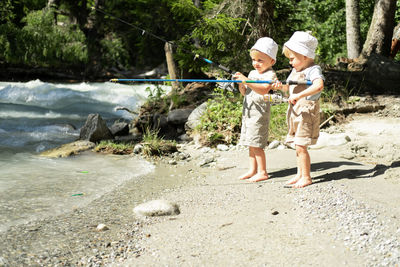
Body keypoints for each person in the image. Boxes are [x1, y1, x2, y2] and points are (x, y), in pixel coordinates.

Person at [273, 31, 324, 188]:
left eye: (292, 58)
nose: (290, 62)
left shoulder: (313, 70)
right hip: (295, 112)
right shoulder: (295, 71)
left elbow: (318, 85)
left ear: (305, 55)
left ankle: (306, 177)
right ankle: (299, 174)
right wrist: (279, 86)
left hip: (306, 113)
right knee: (297, 145)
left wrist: (300, 94)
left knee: (302, 145)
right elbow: (288, 89)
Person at [233, 37, 278, 182]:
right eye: (253, 60)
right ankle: (252, 170)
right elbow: (245, 92)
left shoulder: (270, 75)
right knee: (250, 143)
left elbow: (264, 90)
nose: (255, 63)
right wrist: (241, 84)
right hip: (248, 112)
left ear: (272, 61)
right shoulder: (252, 74)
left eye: (260, 60)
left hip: (259, 115)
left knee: (257, 144)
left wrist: (246, 80)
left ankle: (263, 172)